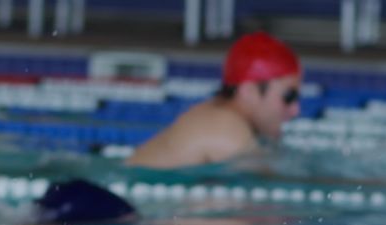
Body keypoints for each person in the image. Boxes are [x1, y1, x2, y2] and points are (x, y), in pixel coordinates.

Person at [128, 32, 302, 169]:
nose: (295, 110)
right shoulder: (225, 126)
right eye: (288, 97)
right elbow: (267, 186)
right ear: (249, 91)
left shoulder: (215, 114)